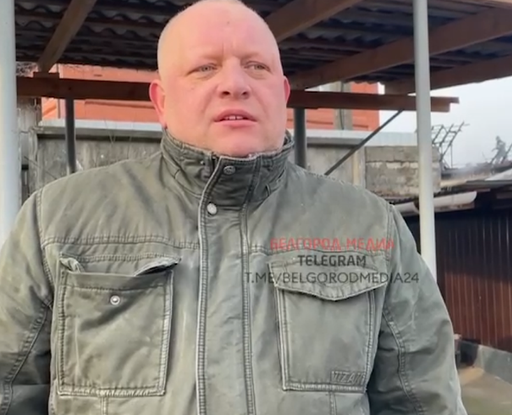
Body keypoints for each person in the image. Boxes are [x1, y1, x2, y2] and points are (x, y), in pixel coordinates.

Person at [0, 0, 466, 414]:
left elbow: (424, 400)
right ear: (162, 101)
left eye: (256, 67)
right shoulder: (57, 221)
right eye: (205, 68)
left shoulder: (371, 227)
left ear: (282, 93)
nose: (234, 84)